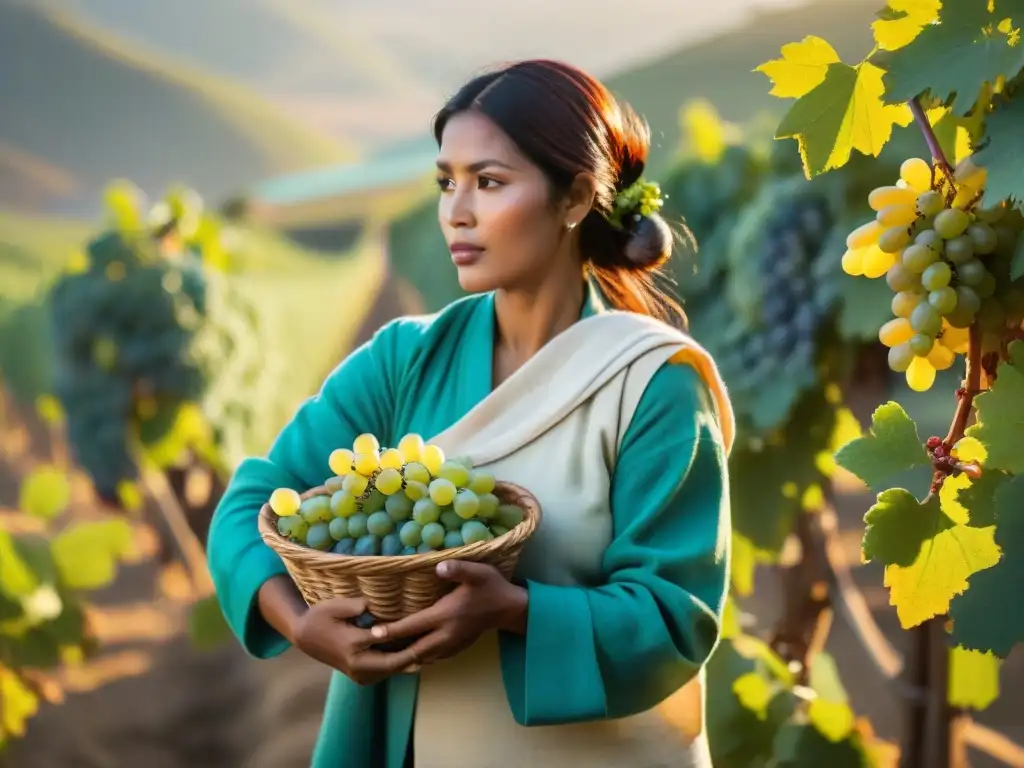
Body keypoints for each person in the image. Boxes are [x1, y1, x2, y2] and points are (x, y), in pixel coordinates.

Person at [207, 59, 734, 768]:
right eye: (445, 182)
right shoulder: (402, 360)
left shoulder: (653, 384)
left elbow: (675, 616)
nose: (457, 210)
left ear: (575, 197)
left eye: (488, 182)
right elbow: (250, 504)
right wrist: (301, 625)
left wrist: (516, 610)